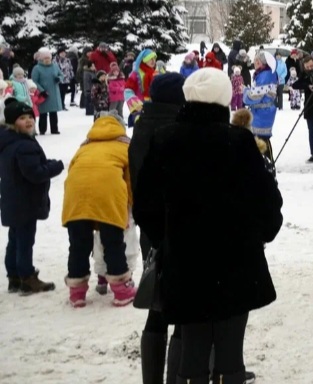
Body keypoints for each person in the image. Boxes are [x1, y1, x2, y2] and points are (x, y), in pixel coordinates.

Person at [134, 68, 283, 382]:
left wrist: (167, 238)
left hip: (185, 264)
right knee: (230, 351)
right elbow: (267, 202)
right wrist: (259, 235)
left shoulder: (165, 140)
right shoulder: (239, 142)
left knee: (193, 347)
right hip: (236, 262)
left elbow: (145, 204)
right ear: (225, 99)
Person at [128, 73, 185, 384]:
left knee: (157, 306)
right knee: (181, 310)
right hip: (177, 227)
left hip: (149, 227)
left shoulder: (142, 125)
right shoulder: (174, 130)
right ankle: (177, 377)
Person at [61, 113, 136, 308]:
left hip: (76, 196)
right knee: (113, 242)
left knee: (78, 244)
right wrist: (131, 208)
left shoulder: (84, 146)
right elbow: (130, 181)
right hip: (108, 196)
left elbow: (72, 172)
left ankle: (77, 292)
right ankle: (121, 291)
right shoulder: (125, 145)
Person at [1, 98, 64, 295]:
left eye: (30, 117)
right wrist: (55, 166)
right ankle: (27, 278)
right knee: (25, 240)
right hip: (26, 201)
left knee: (15, 238)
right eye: (22, 118)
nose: (28, 121)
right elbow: (35, 174)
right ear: (12, 122)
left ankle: (14, 277)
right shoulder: (24, 145)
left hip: (12, 198)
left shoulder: (8, 141)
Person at [242, 51, 279, 155]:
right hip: (262, 112)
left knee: (261, 140)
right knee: (260, 140)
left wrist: (245, 92)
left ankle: (267, 166)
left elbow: (255, 96)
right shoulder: (263, 74)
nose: (254, 62)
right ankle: (264, 165)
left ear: (262, 62)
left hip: (262, 113)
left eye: (256, 60)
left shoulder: (265, 75)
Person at [30, 48, 62, 135]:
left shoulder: (55, 66)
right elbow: (34, 81)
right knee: (43, 113)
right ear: (41, 59)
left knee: (53, 112)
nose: (47, 60)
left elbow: (61, 74)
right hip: (43, 94)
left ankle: (54, 129)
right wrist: (41, 90)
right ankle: (42, 129)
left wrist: (59, 79)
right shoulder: (37, 68)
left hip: (54, 92)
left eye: (48, 58)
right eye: (45, 58)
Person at [123, 49, 158, 118]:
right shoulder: (135, 74)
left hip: (154, 105)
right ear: (144, 59)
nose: (153, 61)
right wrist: (136, 105)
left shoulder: (155, 73)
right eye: (150, 58)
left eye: (154, 58)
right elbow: (127, 91)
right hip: (141, 106)